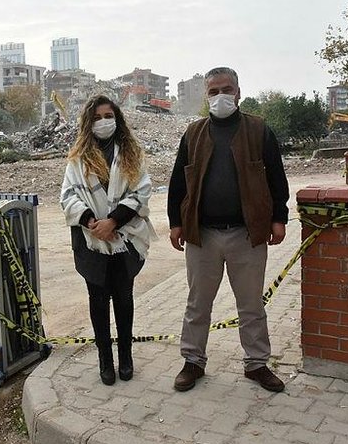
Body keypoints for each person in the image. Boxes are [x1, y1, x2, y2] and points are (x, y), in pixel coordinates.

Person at [167, 67, 290, 393]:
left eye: (226, 89)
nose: (220, 96)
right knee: (197, 305)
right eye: (213, 91)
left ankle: (257, 364)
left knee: (251, 305)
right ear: (206, 96)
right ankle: (192, 361)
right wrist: (175, 223)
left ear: (238, 92)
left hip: (246, 235)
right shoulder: (193, 134)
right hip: (201, 235)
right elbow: (178, 182)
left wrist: (280, 218)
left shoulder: (258, 130)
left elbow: (277, 178)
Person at [60, 94, 157, 385]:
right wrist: (92, 222)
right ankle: (105, 359)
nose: (104, 122)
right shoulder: (77, 158)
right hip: (91, 241)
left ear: (117, 118)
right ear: (89, 123)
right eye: (98, 117)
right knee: (98, 301)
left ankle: (125, 356)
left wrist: (114, 221)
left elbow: (141, 192)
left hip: (124, 238)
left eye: (109, 116)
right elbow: (68, 195)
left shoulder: (131, 154)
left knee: (124, 299)